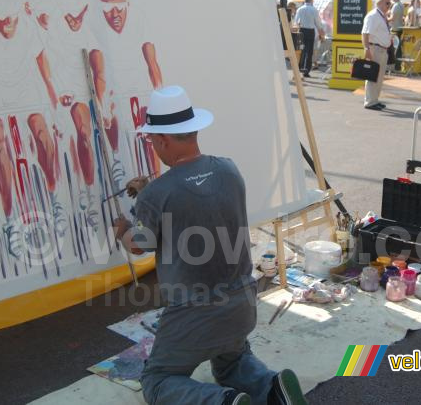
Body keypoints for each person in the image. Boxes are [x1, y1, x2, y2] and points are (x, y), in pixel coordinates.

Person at [113, 85, 307, 405]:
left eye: (152, 141)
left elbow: (140, 244)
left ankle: (222, 402)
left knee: (157, 379)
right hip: (242, 305)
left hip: (194, 315)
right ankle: (273, 388)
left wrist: (123, 229)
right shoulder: (229, 170)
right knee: (230, 360)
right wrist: (152, 190)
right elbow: (196, 200)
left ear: (162, 139)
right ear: (192, 131)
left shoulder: (157, 195)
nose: (153, 147)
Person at [361, 0, 392, 110]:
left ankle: (374, 100)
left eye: (389, 4)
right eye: (387, 3)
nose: (389, 6)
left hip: (382, 49)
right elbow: (365, 33)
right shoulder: (373, 15)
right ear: (380, 3)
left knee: (378, 77)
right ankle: (369, 101)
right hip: (376, 49)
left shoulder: (380, 15)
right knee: (372, 76)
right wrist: (367, 49)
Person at [293, 0, 325, 78]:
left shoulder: (300, 9)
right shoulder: (314, 10)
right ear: (311, 0)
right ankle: (306, 70)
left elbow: (296, 22)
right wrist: (322, 32)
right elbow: (318, 23)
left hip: (302, 31)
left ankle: (300, 67)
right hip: (310, 31)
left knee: (302, 50)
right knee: (309, 51)